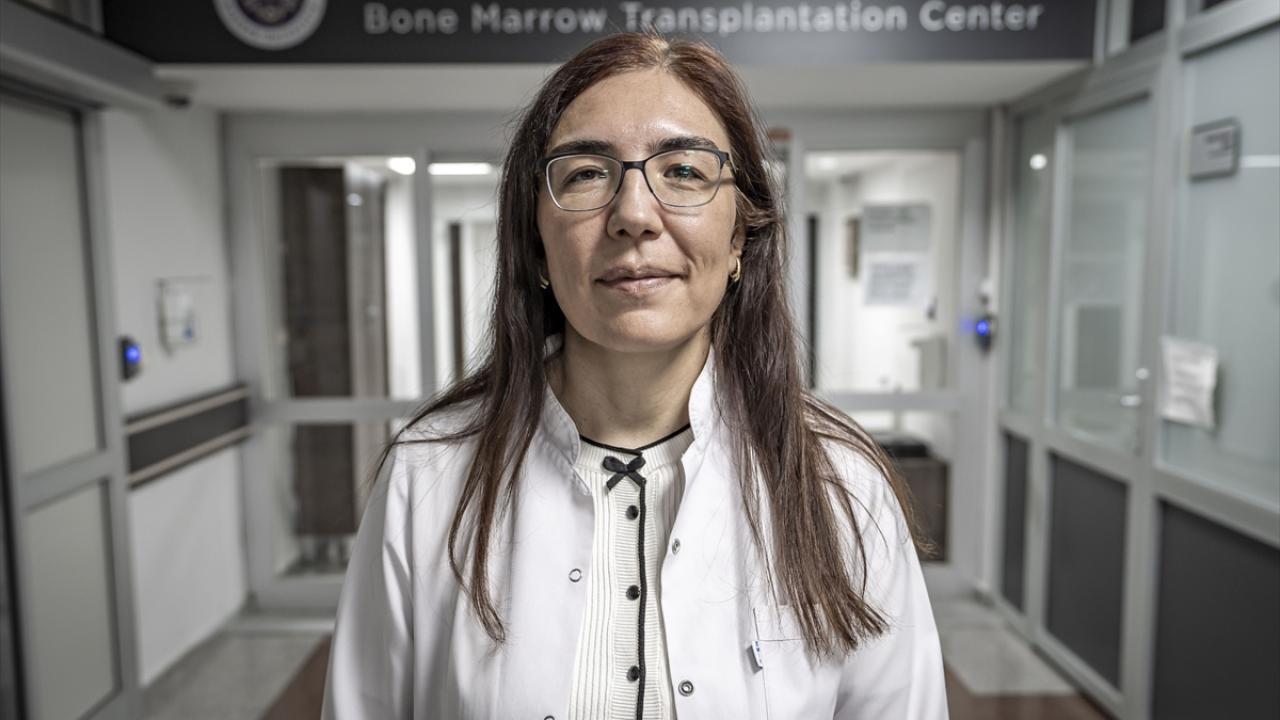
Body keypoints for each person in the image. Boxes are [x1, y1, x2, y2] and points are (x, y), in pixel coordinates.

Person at [322, 31, 947, 720]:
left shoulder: (840, 481)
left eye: (683, 170)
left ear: (738, 236)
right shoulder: (429, 474)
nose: (634, 216)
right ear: (536, 245)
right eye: (587, 174)